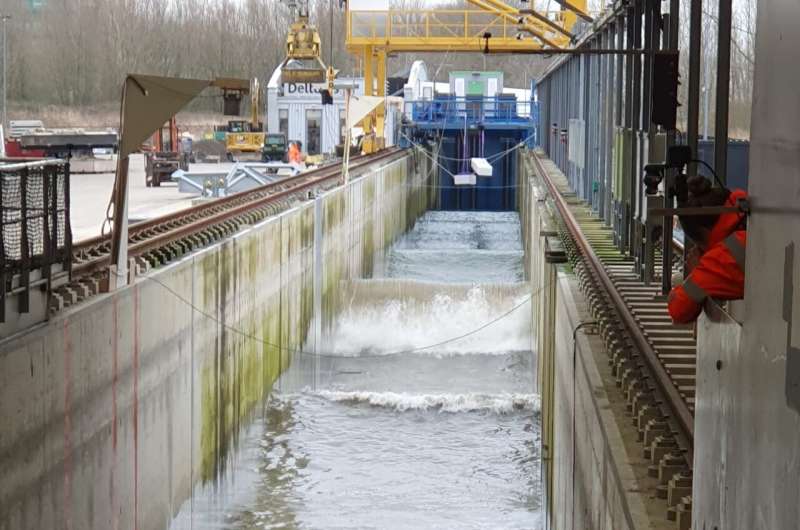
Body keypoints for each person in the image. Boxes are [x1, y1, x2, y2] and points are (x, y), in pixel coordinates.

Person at [668, 176, 747, 324]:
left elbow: (678, 310)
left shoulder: (722, 257)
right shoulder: (748, 211)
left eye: (699, 244)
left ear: (705, 232)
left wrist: (696, 270)